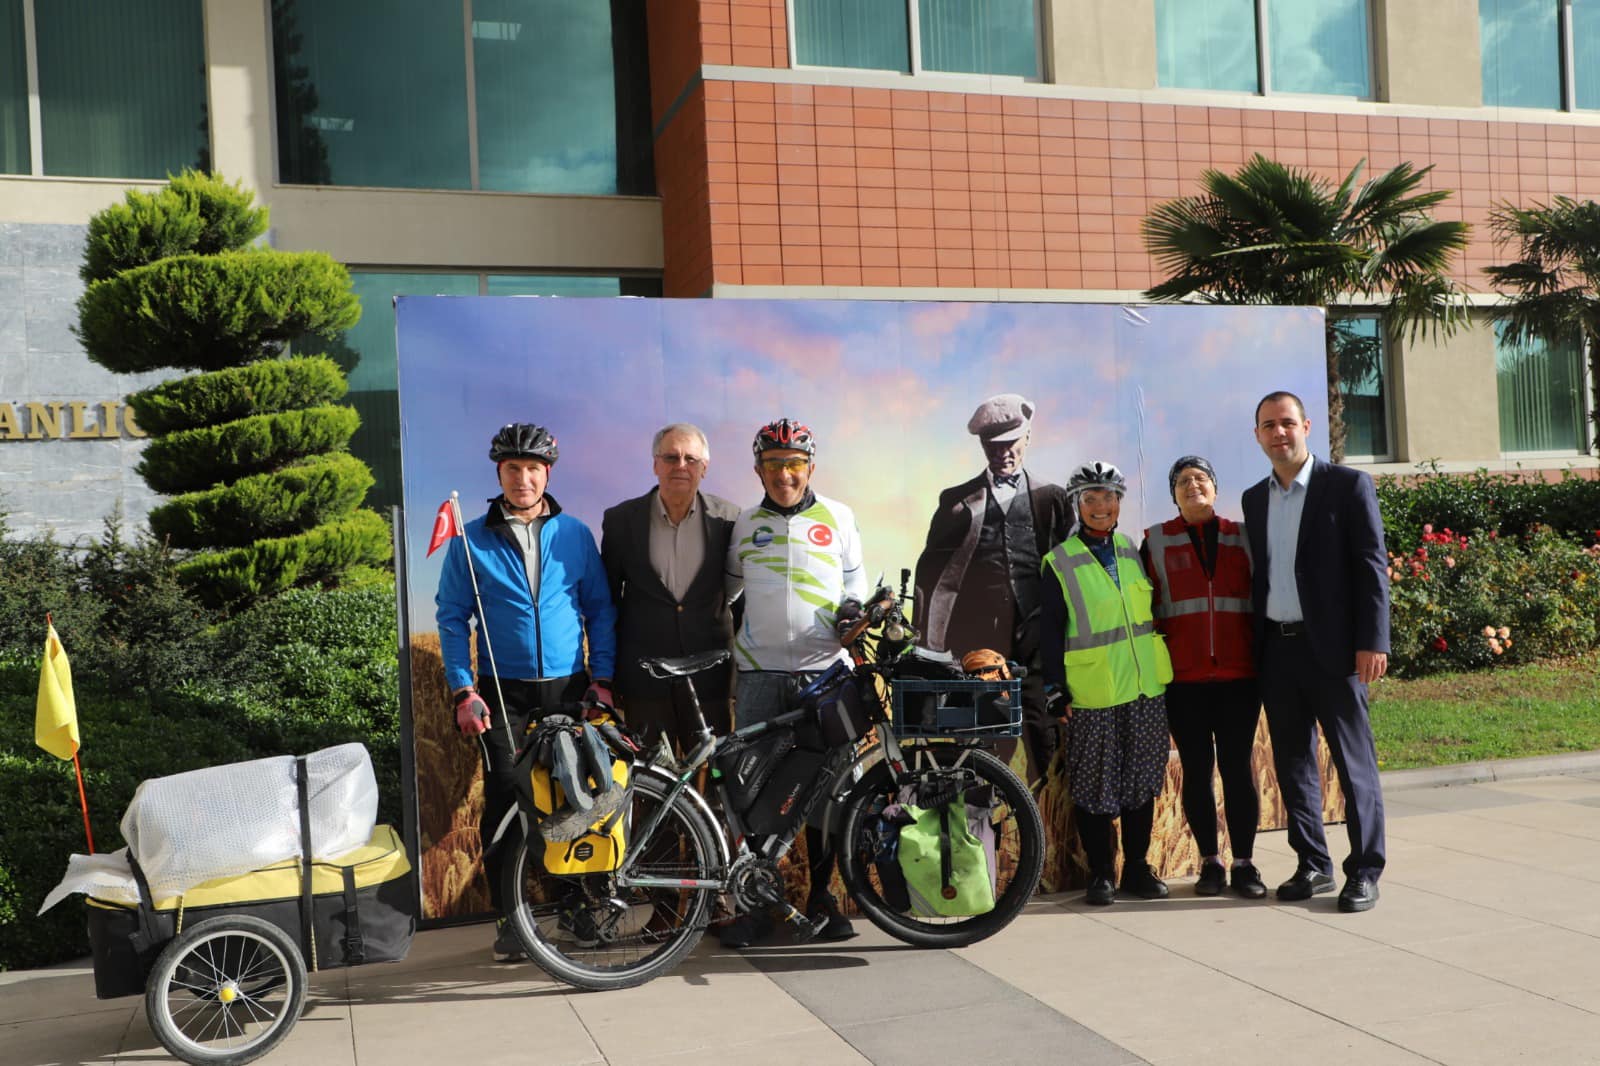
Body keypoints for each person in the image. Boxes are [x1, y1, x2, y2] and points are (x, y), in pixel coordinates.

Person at [435, 423, 618, 960]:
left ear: (547, 474)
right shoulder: (470, 540)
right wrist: (462, 690)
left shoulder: (576, 535)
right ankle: (510, 919)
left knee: (575, 796)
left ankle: (574, 906)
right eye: (513, 468)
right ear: (499, 473)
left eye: (533, 468)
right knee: (508, 799)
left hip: (568, 688)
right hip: (502, 694)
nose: (523, 478)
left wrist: (601, 679)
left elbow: (600, 610)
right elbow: (451, 617)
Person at [721, 418, 867, 947]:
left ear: (810, 466)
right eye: (773, 464)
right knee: (752, 792)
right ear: (758, 469)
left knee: (828, 791)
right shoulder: (743, 523)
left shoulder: (840, 518)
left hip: (824, 673)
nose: (785, 474)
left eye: (794, 464)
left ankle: (823, 900)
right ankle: (760, 907)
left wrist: (854, 613)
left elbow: (855, 589)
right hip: (760, 674)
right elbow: (728, 594)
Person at [1242, 391, 1388, 913]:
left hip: (1338, 652)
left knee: (1354, 765)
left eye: (1287, 423)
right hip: (1278, 652)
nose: (1278, 433)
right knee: (1293, 764)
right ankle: (1313, 864)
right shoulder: (1254, 499)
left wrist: (1373, 641)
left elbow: (1371, 566)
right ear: (1257, 435)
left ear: (1306, 427)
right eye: (1268, 426)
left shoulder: (1347, 486)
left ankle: (1365, 870)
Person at [912, 393, 1074, 786]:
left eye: (1011, 443)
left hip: (1038, 638)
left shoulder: (1052, 498)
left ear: (1028, 438)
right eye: (993, 445)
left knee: (1044, 733)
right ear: (983, 445)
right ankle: (988, 838)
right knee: (985, 741)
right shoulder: (955, 501)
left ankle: (1047, 830)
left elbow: (1070, 570)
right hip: (979, 641)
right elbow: (931, 574)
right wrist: (928, 648)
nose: (1003, 453)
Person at [1039, 461, 1173, 906]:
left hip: (1143, 689)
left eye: (1109, 497)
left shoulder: (1133, 550)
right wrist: (1055, 689)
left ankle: (1136, 867)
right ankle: (1102, 873)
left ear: (1120, 504)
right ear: (1078, 505)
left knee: (1141, 783)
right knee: (1094, 787)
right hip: (1093, 693)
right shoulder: (1058, 562)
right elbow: (1050, 632)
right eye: (1091, 498)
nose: (1101, 506)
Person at [1141, 456, 1265, 899]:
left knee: (1237, 769)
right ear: (1173, 494)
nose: (1193, 485)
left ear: (1214, 488)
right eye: (1182, 481)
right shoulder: (1154, 542)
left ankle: (1246, 864)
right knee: (1196, 771)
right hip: (1184, 680)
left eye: (1201, 479)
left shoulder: (1244, 537)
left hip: (1239, 677)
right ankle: (1211, 863)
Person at [600, 423, 740, 751]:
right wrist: (609, 672)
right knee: (648, 782)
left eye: (691, 459)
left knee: (713, 782)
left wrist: (741, 673)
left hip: (711, 678)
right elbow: (608, 601)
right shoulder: (621, 521)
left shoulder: (730, 521)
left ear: (704, 468)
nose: (681, 466)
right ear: (655, 464)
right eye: (671, 457)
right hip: (645, 679)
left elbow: (741, 600)